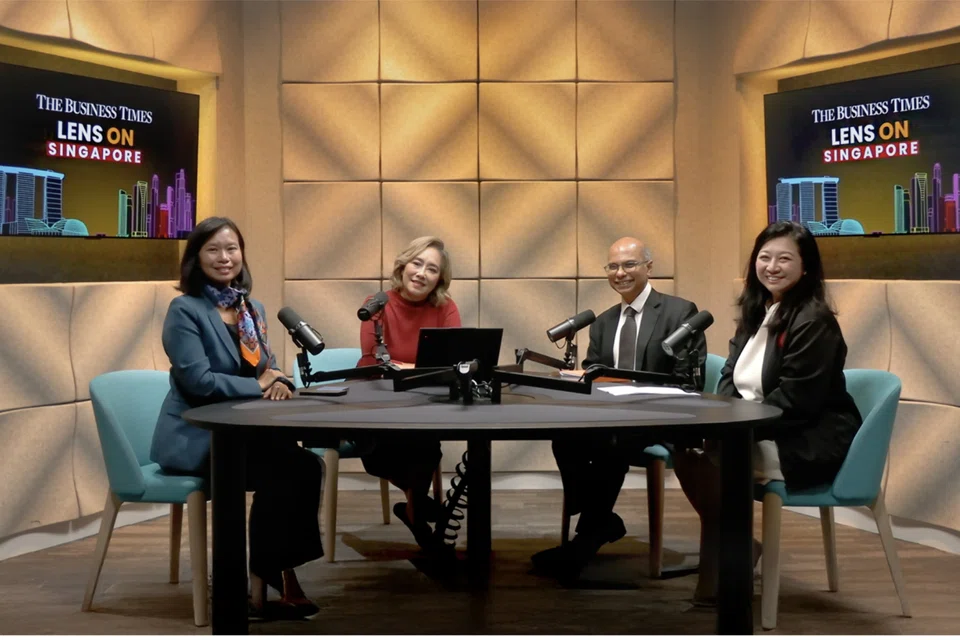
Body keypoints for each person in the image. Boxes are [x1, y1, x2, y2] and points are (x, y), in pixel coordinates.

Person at [673, 220, 863, 605]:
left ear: (806, 267)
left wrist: (734, 427)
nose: (772, 266)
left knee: (718, 456)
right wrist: (725, 418)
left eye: (784, 259)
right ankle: (736, 547)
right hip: (755, 426)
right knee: (685, 448)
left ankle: (725, 565)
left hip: (806, 436)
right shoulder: (759, 310)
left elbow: (796, 401)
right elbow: (729, 374)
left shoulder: (814, 321)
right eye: (764, 257)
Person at [149, 217, 324, 620]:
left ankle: (270, 576)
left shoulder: (251, 308)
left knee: (304, 465)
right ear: (196, 258)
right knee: (286, 468)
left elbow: (269, 366)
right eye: (213, 249)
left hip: (246, 433)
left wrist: (277, 381)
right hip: (197, 439)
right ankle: (267, 583)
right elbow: (199, 382)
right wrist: (259, 383)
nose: (224, 257)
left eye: (232, 248)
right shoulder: (185, 310)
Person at [533, 236, 707, 582]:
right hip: (613, 417)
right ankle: (601, 523)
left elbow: (687, 381)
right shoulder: (604, 322)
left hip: (660, 419)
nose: (620, 273)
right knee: (564, 436)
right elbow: (593, 374)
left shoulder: (679, 312)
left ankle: (589, 537)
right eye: (612, 266)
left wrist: (632, 392)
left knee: (608, 442)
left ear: (648, 267)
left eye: (629, 264)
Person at [357, 236, 461, 551]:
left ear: (439, 279)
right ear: (403, 266)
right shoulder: (376, 303)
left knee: (426, 444)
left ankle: (415, 513)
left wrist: (410, 367)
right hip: (376, 400)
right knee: (388, 448)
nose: (421, 273)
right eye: (417, 263)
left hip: (422, 400)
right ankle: (418, 505)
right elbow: (374, 358)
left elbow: (452, 360)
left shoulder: (446, 308)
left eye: (431, 269)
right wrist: (418, 366)